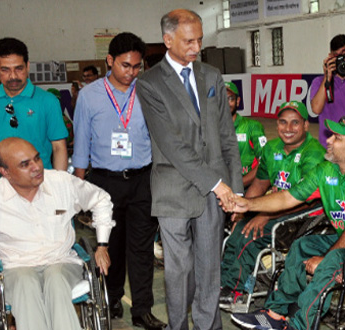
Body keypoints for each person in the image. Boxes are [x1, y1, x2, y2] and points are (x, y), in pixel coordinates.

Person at [227, 117, 345, 330]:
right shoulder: (327, 170)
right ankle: (276, 314)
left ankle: (299, 325)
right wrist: (247, 205)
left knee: (330, 262)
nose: (329, 140)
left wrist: (325, 259)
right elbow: (288, 197)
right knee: (302, 245)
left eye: (337, 137)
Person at [136, 9, 243, 330]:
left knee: (209, 268)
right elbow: (173, 146)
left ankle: (209, 327)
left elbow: (227, 135)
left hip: (216, 191)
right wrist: (218, 185)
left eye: (200, 40)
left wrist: (235, 188)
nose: (197, 47)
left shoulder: (211, 76)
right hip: (174, 190)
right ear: (168, 40)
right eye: (189, 41)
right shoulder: (150, 82)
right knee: (179, 270)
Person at [0, 137, 115, 330]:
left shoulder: (62, 182)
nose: (36, 167)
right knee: (26, 282)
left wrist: (102, 245)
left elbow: (101, 200)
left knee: (55, 280)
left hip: (61, 262)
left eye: (37, 159)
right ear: (5, 172)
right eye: (25, 164)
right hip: (16, 267)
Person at [72, 32, 166, 329]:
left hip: (142, 180)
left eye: (137, 67)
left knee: (141, 249)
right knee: (109, 246)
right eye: (125, 65)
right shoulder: (89, 96)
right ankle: (112, 299)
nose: (131, 73)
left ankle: (142, 310)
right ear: (110, 61)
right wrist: (79, 186)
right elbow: (81, 142)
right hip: (104, 182)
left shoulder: (148, 90)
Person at [220, 100, 325, 308]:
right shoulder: (272, 147)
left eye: (295, 123)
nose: (288, 129)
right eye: (283, 122)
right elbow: (260, 184)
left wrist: (265, 215)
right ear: (276, 124)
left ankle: (237, 291)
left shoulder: (314, 154)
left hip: (304, 215)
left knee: (250, 235)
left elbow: (303, 201)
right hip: (277, 209)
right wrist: (244, 209)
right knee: (236, 229)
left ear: (305, 125)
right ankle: (225, 283)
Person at [0, 37, 68, 205]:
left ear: (27, 66)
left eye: (19, 68)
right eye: (5, 70)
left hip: (40, 192)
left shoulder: (47, 102)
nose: (13, 76)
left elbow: (59, 148)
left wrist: (59, 190)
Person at [227, 81, 267, 188]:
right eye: (222, 99)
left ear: (238, 101)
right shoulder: (210, 128)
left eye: (231, 99)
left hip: (247, 184)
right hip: (220, 186)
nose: (226, 103)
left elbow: (264, 161)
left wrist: (239, 184)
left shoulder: (252, 127)